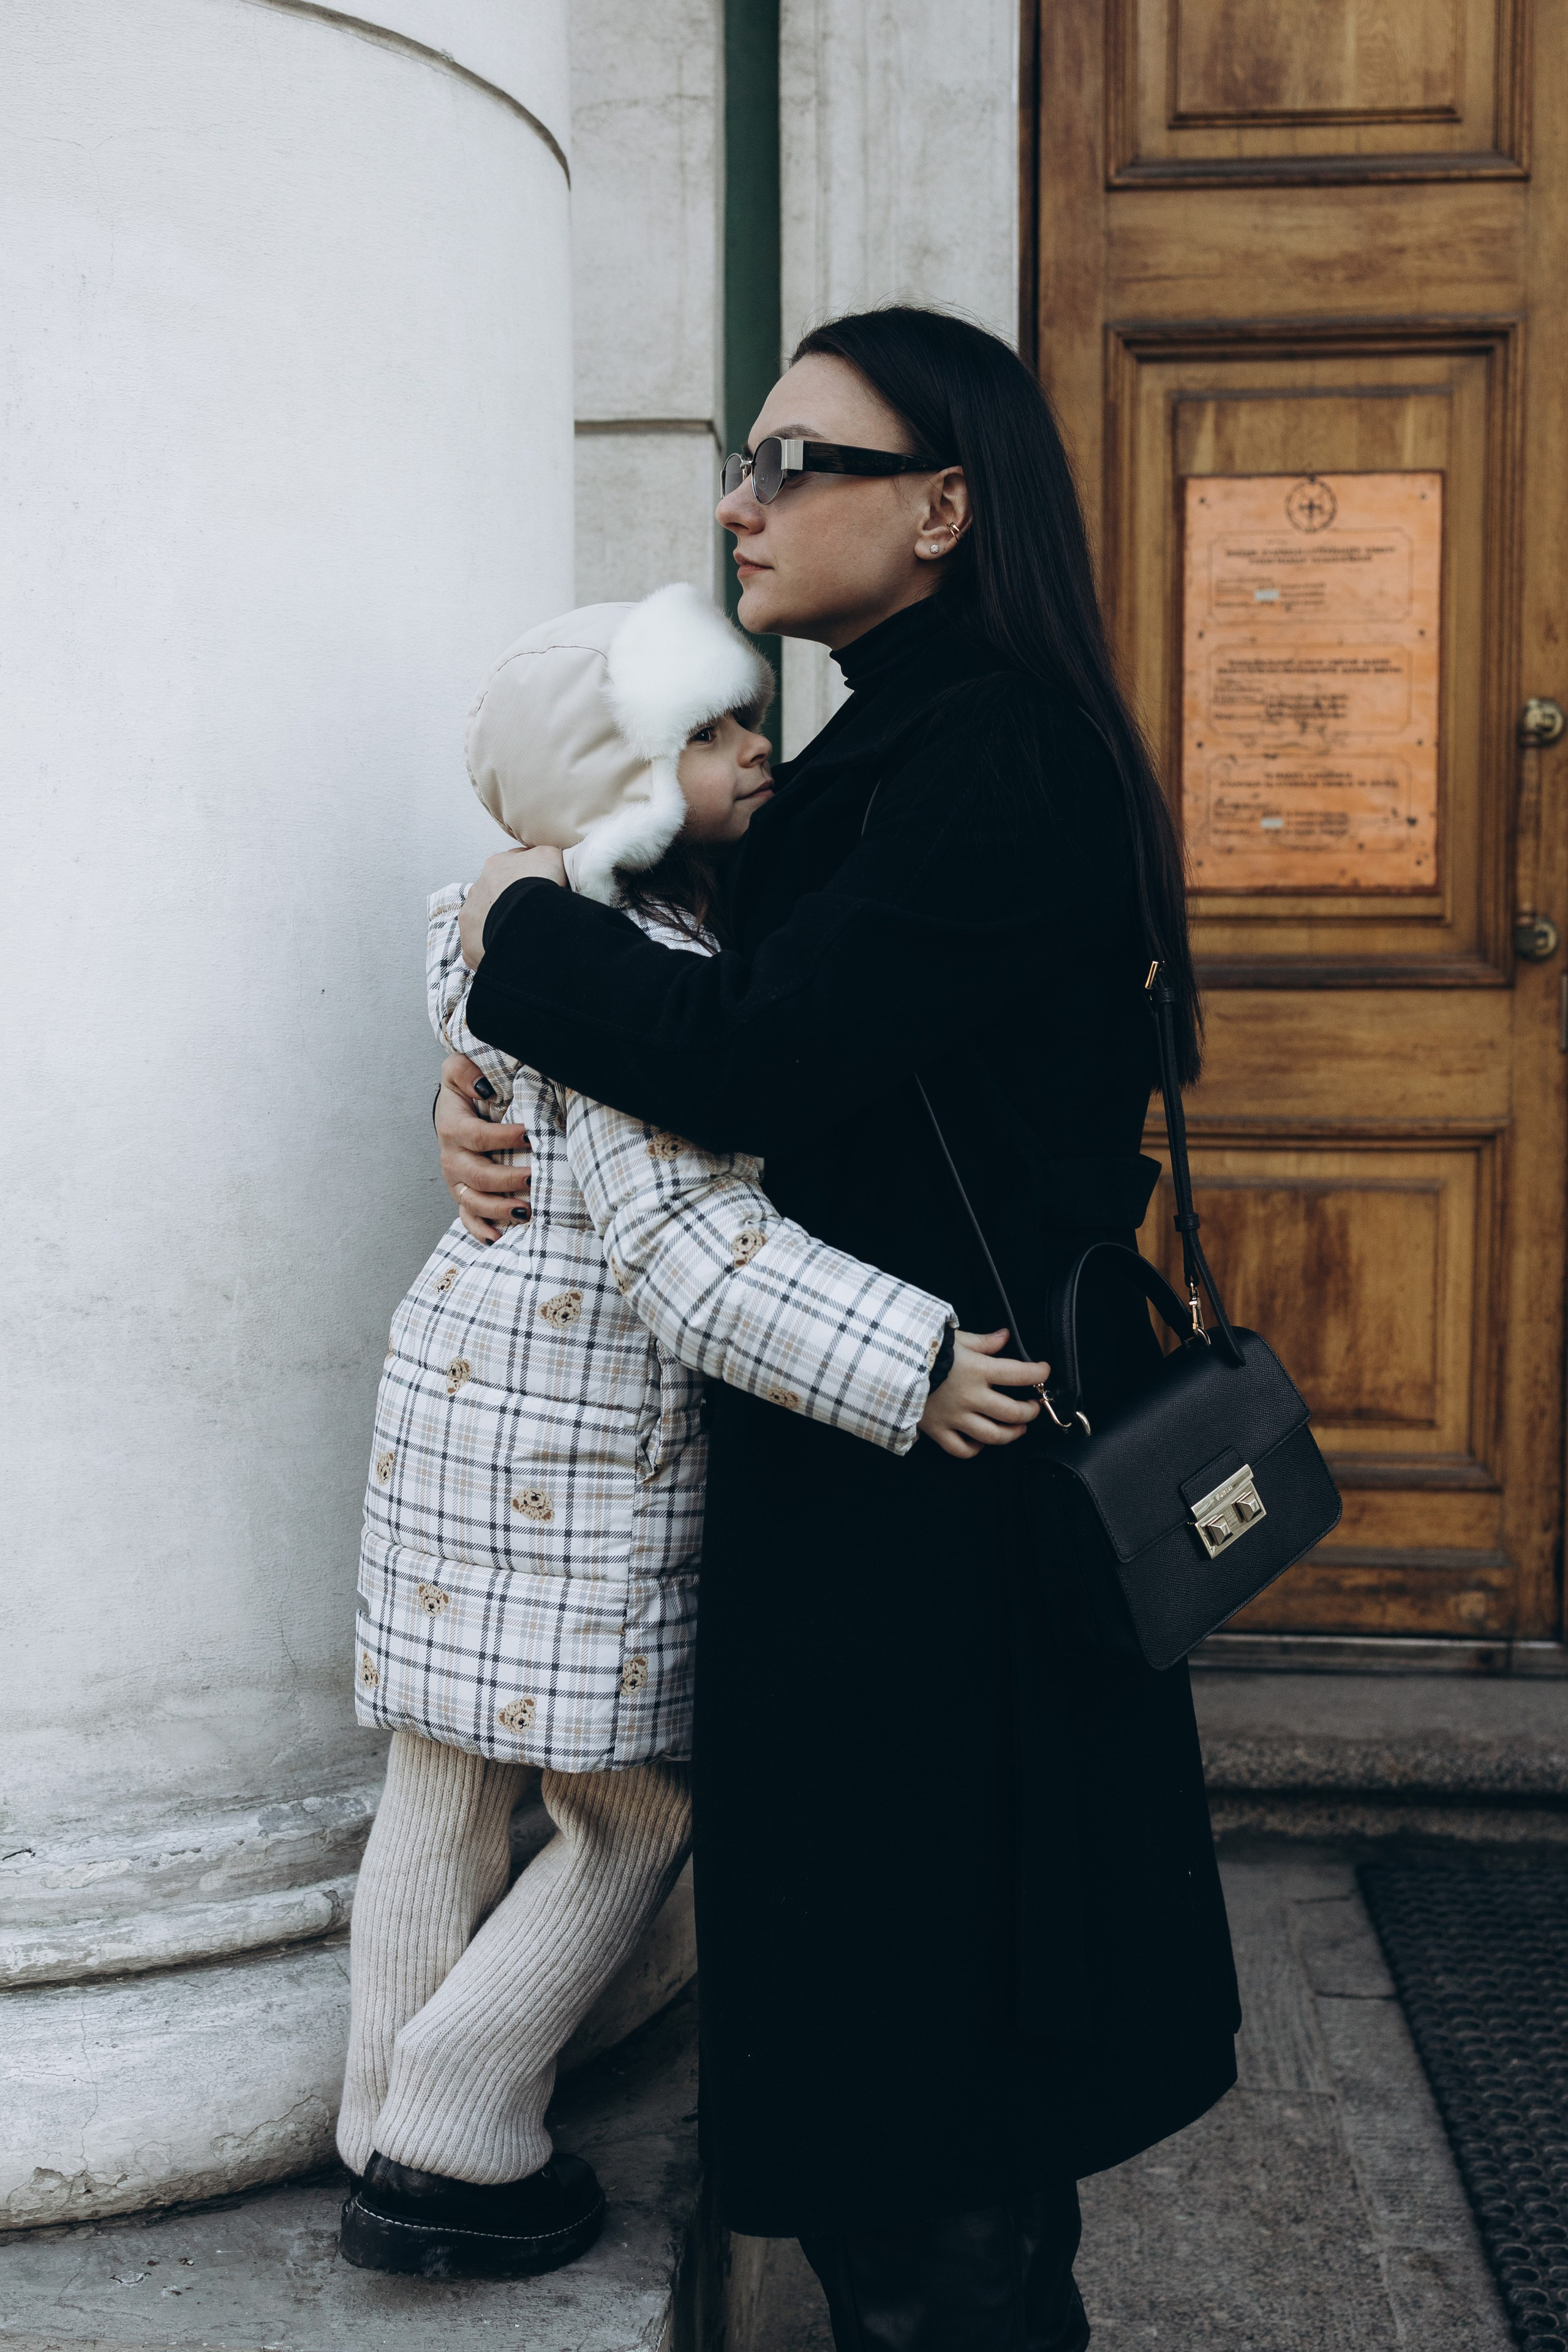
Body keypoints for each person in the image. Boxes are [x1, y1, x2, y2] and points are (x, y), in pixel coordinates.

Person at [438, 307, 1242, 2350]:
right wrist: (481, 1093)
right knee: (926, 2080)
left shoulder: (994, 754)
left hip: (946, 1516)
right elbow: (727, 1021)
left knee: (933, 2114)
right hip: (883, 1483)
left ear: (945, 506)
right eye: (748, 456)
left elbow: (757, 1056)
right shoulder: (906, 736)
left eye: (798, 462)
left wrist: (505, 924)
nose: (741, 502)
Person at [337, 581, 1049, 2282]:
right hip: (578, 1450)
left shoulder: (497, 928)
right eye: (716, 733)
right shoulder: (633, 976)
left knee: (443, 1776)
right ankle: (452, 2135)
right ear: (625, 782)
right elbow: (693, 1257)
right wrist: (915, 1363)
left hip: (462, 1404)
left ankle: (372, 2118)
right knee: (632, 1816)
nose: (762, 750)